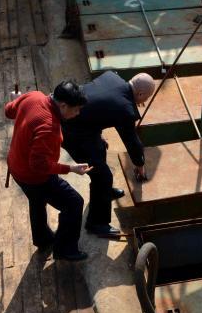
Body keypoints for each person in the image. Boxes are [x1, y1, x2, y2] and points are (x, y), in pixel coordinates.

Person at [61, 71, 155, 237]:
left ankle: (104, 192)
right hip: (71, 133)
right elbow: (132, 142)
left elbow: (95, 104)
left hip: (83, 125)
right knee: (103, 176)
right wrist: (140, 165)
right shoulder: (124, 107)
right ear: (140, 94)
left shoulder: (112, 76)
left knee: (100, 147)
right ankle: (96, 223)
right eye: (146, 98)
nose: (144, 102)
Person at [6, 82, 92, 261]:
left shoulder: (34, 96)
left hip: (16, 165)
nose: (78, 114)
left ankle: (42, 239)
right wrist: (70, 168)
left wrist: (16, 101)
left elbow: (9, 111)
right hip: (34, 176)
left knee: (36, 200)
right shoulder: (49, 127)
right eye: (76, 110)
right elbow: (39, 165)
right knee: (74, 203)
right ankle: (65, 249)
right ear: (63, 106)